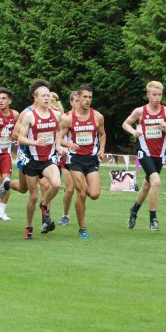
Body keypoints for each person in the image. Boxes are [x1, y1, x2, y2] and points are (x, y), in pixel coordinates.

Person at [122, 81, 166, 231]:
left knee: (147, 185)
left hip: (159, 154)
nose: (157, 98)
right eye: (154, 95)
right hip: (144, 152)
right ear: (148, 95)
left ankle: (134, 210)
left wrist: (165, 129)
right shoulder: (140, 111)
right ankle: (153, 219)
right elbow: (125, 124)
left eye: (159, 95)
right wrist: (134, 132)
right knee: (156, 182)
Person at [59, 84, 106, 238]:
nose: (87, 100)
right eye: (84, 97)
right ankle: (82, 227)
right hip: (75, 159)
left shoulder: (98, 116)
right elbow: (58, 140)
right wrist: (68, 144)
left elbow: (102, 134)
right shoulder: (68, 118)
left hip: (91, 159)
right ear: (77, 98)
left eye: (90, 97)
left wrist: (102, 149)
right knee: (81, 194)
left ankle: (84, 188)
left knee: (94, 194)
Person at [17, 85, 63, 239]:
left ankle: (44, 205)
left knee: (56, 184)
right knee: (33, 196)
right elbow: (20, 138)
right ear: (36, 98)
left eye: (48, 95)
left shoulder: (56, 115)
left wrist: (59, 146)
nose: (46, 98)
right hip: (32, 161)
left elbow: (58, 133)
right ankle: (29, 227)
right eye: (43, 95)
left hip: (48, 160)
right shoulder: (30, 116)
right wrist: (35, 143)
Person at [0, 87, 18, 221]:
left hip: (6, 153)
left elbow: (17, 131)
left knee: (7, 181)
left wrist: (17, 139)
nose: (1, 101)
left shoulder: (15, 115)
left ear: (9, 101)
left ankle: (2, 211)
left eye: (4, 98)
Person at [58, 91, 78, 226]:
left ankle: (81, 216)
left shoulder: (88, 117)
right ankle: (65, 215)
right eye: (75, 100)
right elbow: (57, 139)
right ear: (71, 102)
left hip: (83, 158)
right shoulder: (65, 118)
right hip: (67, 157)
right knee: (70, 188)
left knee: (83, 190)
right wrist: (67, 146)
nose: (79, 103)